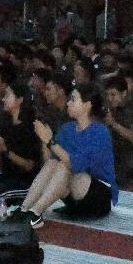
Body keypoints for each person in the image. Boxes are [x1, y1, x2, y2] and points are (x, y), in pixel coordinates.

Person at [9, 83, 117, 228]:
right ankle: (24, 209)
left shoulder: (100, 132)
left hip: (97, 197)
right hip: (72, 195)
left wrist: (50, 141)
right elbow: (49, 164)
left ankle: (36, 212)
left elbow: (75, 164)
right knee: (55, 164)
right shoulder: (67, 128)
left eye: (73, 99)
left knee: (64, 165)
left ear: (87, 105)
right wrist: (44, 141)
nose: (68, 103)